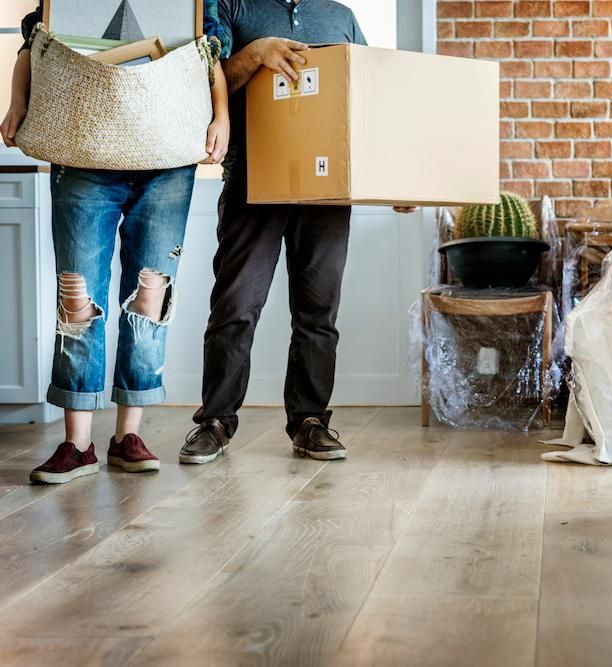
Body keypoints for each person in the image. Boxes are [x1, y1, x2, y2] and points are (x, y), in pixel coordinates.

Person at [3, 3, 231, 484]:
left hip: (167, 160)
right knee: (77, 297)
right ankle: (77, 444)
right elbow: (34, 47)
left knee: (150, 299)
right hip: (83, 152)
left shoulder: (190, 5)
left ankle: (129, 436)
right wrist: (17, 104)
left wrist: (221, 117)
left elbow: (208, 59)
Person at [181, 0, 415, 465]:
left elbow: (368, 100)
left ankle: (310, 422)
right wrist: (256, 53)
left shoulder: (341, 17)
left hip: (328, 190)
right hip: (253, 181)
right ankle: (215, 421)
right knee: (235, 307)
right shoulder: (231, 5)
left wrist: (396, 176)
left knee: (318, 314)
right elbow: (202, 83)